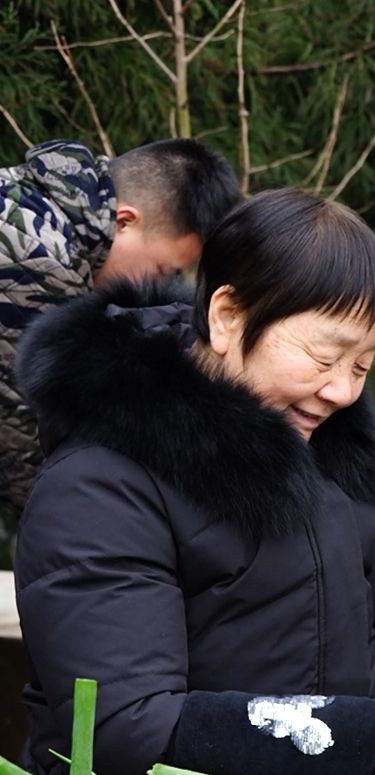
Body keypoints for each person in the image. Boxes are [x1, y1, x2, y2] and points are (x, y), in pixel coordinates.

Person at [13, 188, 375, 775]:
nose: (343, 392)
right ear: (227, 317)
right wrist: (365, 742)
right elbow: (128, 728)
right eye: (325, 356)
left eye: (364, 366)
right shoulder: (99, 486)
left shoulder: (326, 458)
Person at [1, 137, 241, 519]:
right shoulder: (40, 258)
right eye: (164, 269)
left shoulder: (32, 201)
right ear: (123, 221)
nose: (161, 283)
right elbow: (26, 438)